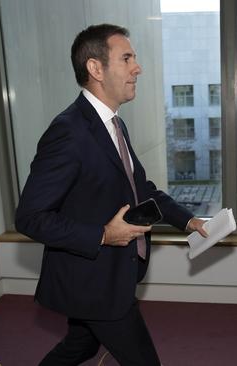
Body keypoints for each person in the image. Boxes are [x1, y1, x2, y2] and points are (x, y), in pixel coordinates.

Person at [15, 23, 207, 366]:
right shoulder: (68, 132)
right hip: (95, 283)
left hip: (111, 274)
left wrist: (188, 220)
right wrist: (103, 235)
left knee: (82, 346)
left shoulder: (114, 125)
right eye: (127, 58)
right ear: (95, 68)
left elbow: (140, 190)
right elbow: (29, 218)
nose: (138, 68)